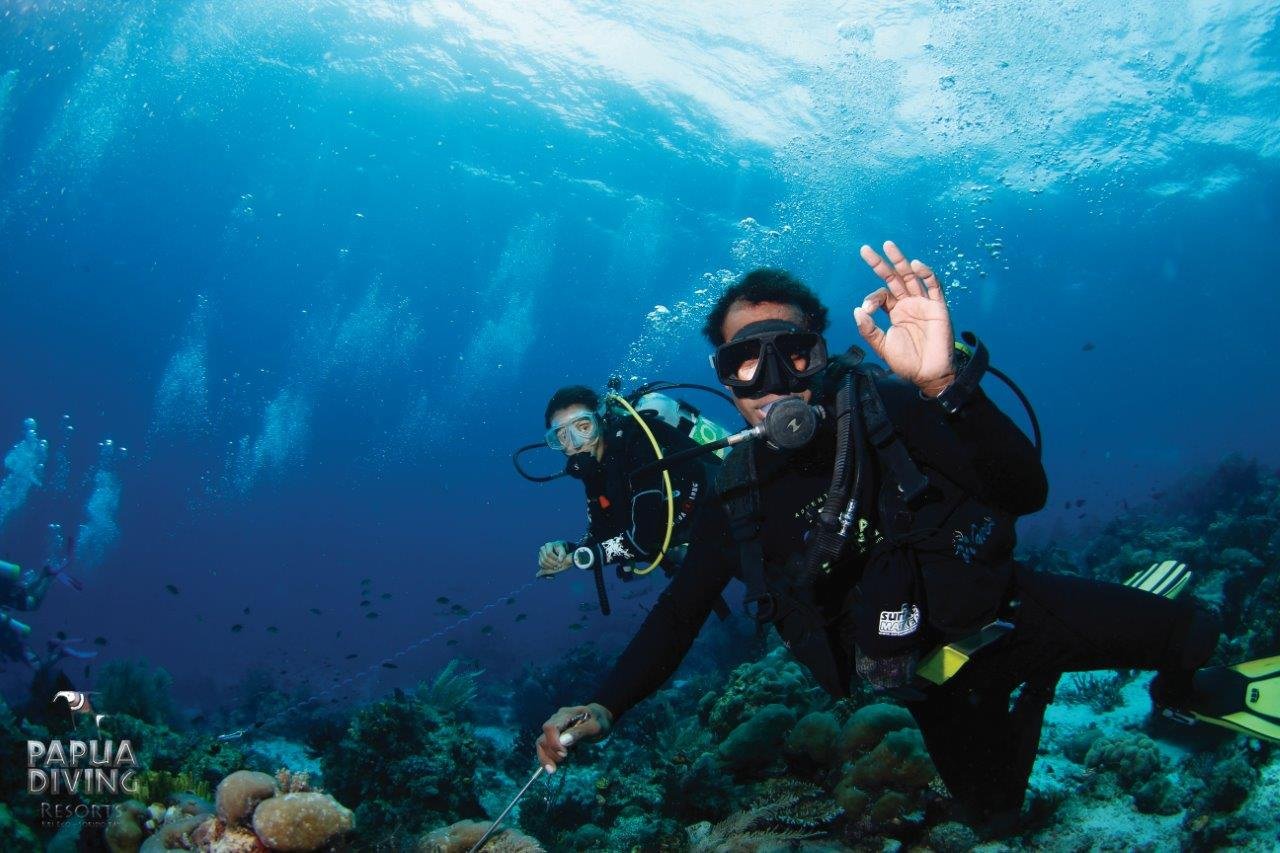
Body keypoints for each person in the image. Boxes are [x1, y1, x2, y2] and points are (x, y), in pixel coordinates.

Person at [535, 241, 1278, 824]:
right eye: (744, 361)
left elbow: (1026, 491)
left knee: (1199, 647)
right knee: (993, 815)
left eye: (791, 351)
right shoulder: (737, 494)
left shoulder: (893, 409)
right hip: (929, 685)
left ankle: (1169, 692)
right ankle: (1038, 696)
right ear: (726, 381)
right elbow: (679, 610)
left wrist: (946, 389)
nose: (773, 380)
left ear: (820, 355)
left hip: (1013, 616)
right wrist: (608, 703)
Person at [535, 385, 725, 616]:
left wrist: (583, 557)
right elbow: (604, 532)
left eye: (583, 427)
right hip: (696, 536)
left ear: (600, 420)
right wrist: (567, 550)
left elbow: (643, 539)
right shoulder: (595, 470)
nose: (575, 443)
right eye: (562, 436)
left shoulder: (636, 440)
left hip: (727, 508)